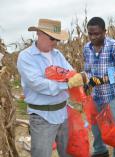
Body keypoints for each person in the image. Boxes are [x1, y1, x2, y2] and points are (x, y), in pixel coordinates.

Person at [68, 17, 115, 157]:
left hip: (112, 96)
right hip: (95, 97)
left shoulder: (114, 46)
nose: (93, 37)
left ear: (104, 32)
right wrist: (83, 79)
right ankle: (100, 152)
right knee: (96, 129)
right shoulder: (87, 48)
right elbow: (89, 71)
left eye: (97, 34)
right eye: (90, 34)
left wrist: (104, 79)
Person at [17, 19, 72, 157]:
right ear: (39, 34)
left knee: (69, 153)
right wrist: (66, 83)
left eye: (57, 40)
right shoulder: (26, 57)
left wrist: (76, 78)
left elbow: (71, 73)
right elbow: (38, 84)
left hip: (64, 113)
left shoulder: (58, 55)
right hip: (42, 117)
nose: (55, 43)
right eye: (52, 39)